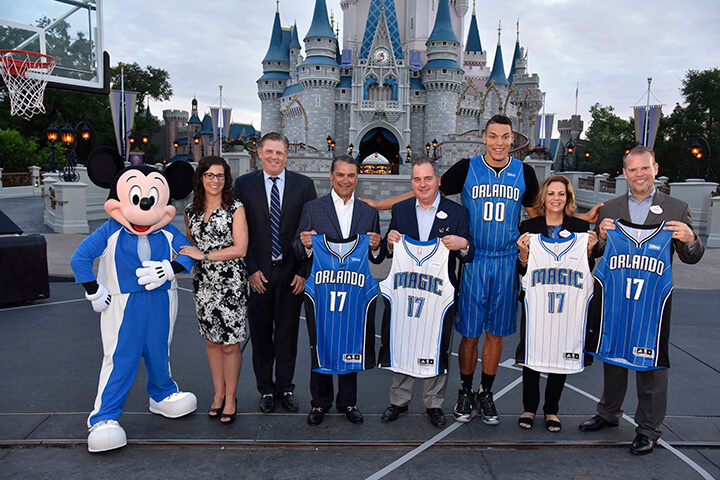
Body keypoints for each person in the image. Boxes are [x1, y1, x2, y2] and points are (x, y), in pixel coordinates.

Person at [578, 146, 704, 455]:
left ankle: (648, 428)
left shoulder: (676, 207)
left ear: (655, 169)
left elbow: (693, 257)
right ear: (624, 173)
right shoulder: (609, 209)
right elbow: (594, 255)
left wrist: (690, 239)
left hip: (652, 301)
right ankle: (608, 413)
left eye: (644, 168)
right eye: (633, 170)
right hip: (617, 297)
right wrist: (601, 240)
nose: (639, 175)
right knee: (614, 355)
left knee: (651, 365)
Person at [379, 156, 474, 428]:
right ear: (412, 182)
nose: (423, 184)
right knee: (404, 339)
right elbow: (389, 248)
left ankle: (434, 403)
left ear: (438, 180)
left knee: (437, 343)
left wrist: (462, 243)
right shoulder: (401, 210)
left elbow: (469, 252)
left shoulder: (457, 213)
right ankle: (399, 399)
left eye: (428, 178)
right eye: (417, 179)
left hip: (438, 295)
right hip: (407, 292)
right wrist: (390, 241)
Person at [292, 154, 384, 425]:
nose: (346, 180)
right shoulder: (313, 208)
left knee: (349, 340)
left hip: (353, 292)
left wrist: (378, 246)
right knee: (319, 342)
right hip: (320, 291)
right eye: (341, 175)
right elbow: (297, 250)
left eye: (351, 175)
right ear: (331, 177)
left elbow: (376, 257)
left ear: (357, 178)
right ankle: (319, 403)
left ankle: (348, 401)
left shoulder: (369, 212)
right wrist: (306, 244)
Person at [233, 133, 317, 413]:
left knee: (287, 334)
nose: (274, 157)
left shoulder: (304, 186)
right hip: (259, 274)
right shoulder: (243, 185)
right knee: (260, 335)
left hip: (292, 273)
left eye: (279, 152)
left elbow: (310, 233)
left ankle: (285, 386)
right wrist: (251, 270)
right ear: (259, 153)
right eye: (269, 152)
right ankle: (265, 390)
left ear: (286, 154)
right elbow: (239, 233)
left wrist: (304, 272)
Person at [514, 175, 597, 432]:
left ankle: (552, 410)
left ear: (568, 198)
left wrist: (590, 252)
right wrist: (524, 255)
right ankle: (529, 407)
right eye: (551, 194)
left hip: (567, 303)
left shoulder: (580, 230)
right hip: (537, 300)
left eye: (561, 194)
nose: (556, 199)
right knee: (532, 353)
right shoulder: (528, 227)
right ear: (544, 197)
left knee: (560, 352)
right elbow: (521, 269)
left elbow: (585, 270)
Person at [180, 156, 249, 424]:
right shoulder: (190, 211)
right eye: (209, 175)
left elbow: (240, 248)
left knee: (230, 344)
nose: (215, 181)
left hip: (231, 283)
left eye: (220, 176)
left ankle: (231, 397)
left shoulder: (235, 208)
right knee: (211, 341)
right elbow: (188, 245)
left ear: (226, 180)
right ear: (201, 178)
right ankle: (218, 394)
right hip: (204, 284)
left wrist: (205, 255)